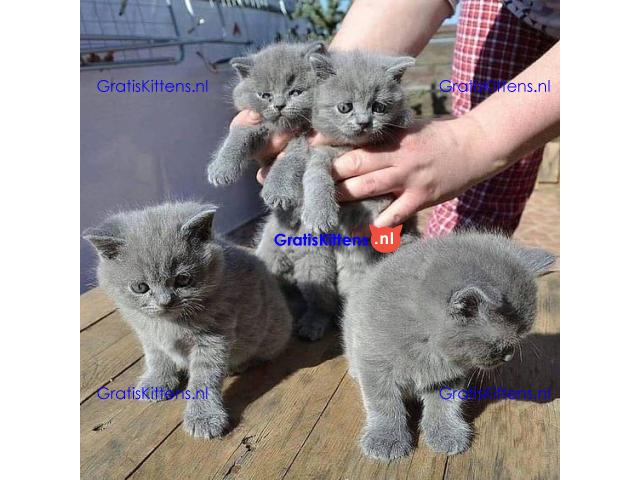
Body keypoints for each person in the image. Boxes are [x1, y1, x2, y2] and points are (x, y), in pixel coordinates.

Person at [231, 0, 560, 236]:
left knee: (475, 169)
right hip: (513, 7)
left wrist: (471, 141)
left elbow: (469, 147)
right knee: (476, 201)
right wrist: (329, 78)